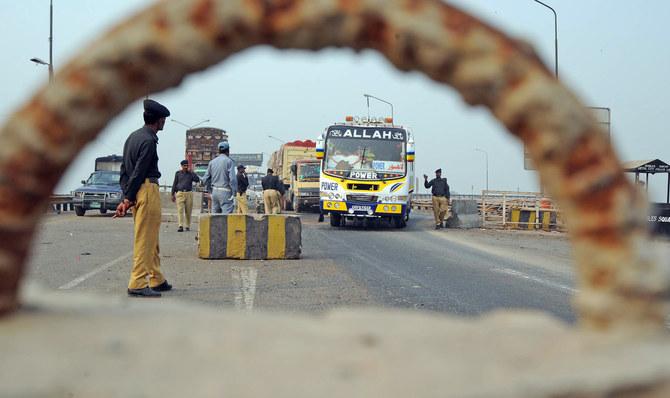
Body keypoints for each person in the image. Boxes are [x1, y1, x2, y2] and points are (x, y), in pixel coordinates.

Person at [115, 99, 172, 298]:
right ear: (158, 120)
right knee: (145, 240)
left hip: (136, 191)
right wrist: (129, 197)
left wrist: (127, 197)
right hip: (146, 190)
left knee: (151, 237)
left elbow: (124, 170)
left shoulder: (132, 137)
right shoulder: (148, 141)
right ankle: (138, 283)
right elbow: (138, 171)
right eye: (163, 119)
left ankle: (156, 278)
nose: (164, 122)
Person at [202, 141, 237, 214]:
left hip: (214, 192)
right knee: (226, 218)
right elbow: (233, 179)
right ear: (228, 151)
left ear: (219, 151)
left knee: (215, 217)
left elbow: (205, 179)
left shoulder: (212, 162)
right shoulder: (229, 161)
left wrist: (209, 190)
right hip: (225, 192)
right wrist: (234, 193)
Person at [171, 160, 200, 232]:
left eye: (187, 165)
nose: (186, 167)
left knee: (188, 211)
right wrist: (172, 194)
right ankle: (180, 225)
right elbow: (175, 183)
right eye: (184, 166)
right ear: (181, 166)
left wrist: (192, 172)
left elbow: (197, 180)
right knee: (180, 210)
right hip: (180, 193)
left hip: (189, 193)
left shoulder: (190, 174)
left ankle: (187, 225)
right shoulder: (178, 173)